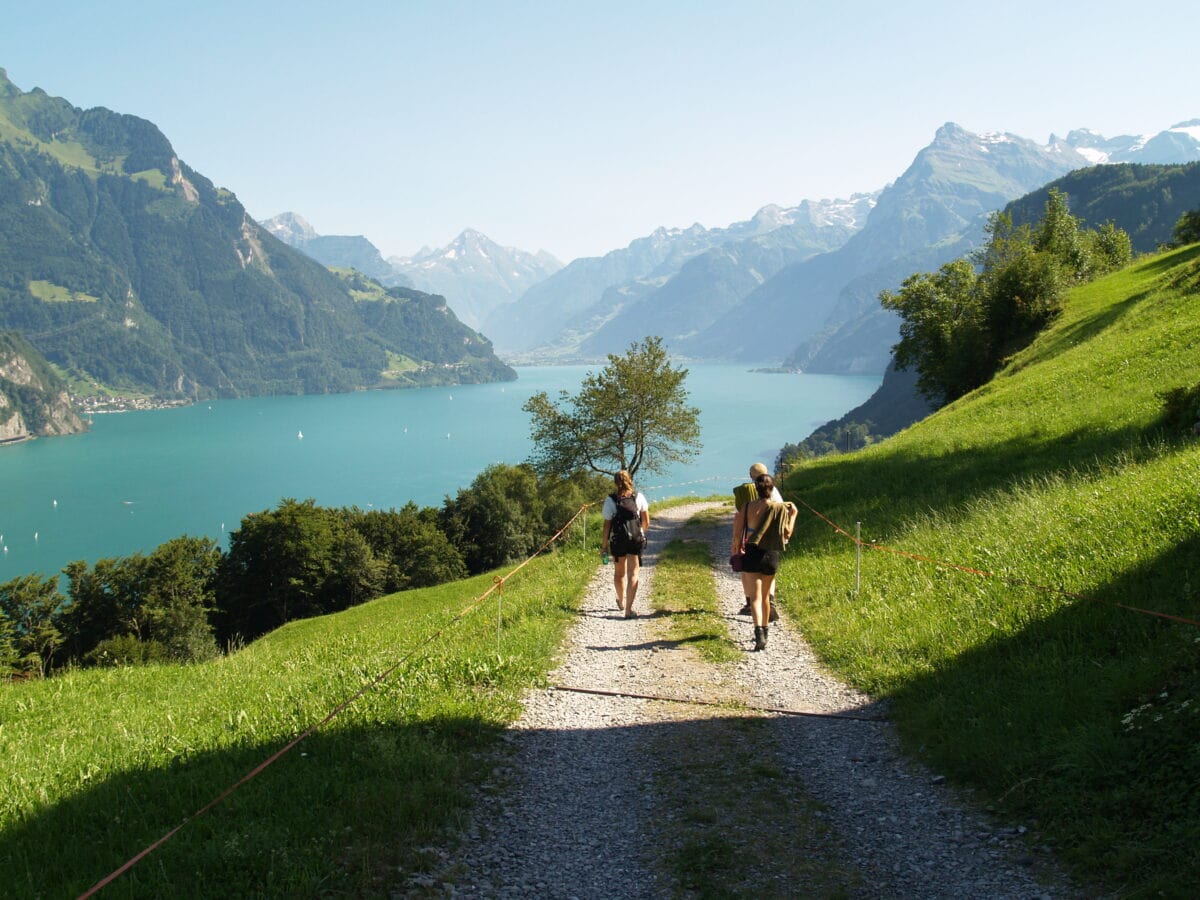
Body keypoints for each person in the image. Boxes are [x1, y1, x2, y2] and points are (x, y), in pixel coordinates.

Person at [733, 472, 797, 651]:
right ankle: (766, 630)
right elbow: (787, 534)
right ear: (772, 488)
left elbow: (738, 533)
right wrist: (793, 516)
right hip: (770, 554)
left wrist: (737, 548)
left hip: (752, 552)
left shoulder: (746, 507)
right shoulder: (779, 508)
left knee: (755, 597)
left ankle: (758, 632)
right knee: (766, 597)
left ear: (756, 489)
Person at [732, 462, 782, 621]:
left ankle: (749, 603)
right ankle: (770, 601)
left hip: (750, 539)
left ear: (751, 476)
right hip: (771, 540)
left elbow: (739, 518)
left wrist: (736, 544)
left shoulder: (747, 494)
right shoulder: (774, 493)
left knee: (748, 574)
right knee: (770, 575)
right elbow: (783, 512)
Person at [601, 470, 650, 618]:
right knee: (633, 573)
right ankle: (628, 610)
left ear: (615, 482)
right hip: (635, 540)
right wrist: (638, 532)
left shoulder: (611, 501)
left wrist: (604, 546)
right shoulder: (638, 497)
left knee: (619, 573)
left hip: (618, 540)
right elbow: (646, 522)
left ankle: (621, 601)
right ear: (630, 481)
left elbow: (607, 527)